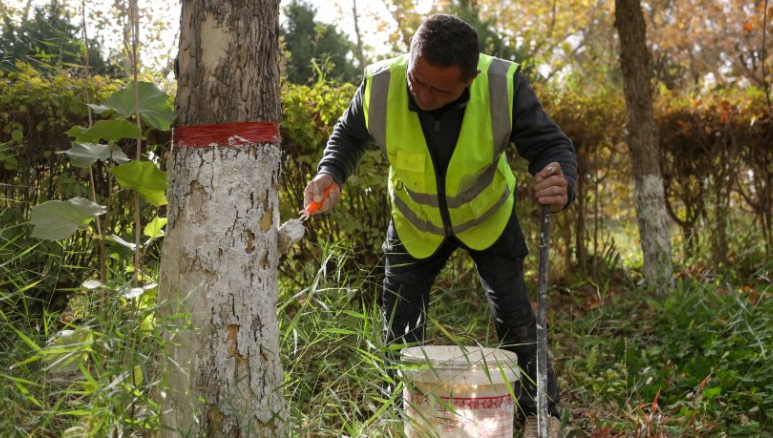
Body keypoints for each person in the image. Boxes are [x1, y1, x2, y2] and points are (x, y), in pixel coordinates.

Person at [303, 14, 577, 437]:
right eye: (418, 80)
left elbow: (549, 145)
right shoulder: (380, 84)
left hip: (488, 217)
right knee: (399, 324)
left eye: (439, 89)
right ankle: (397, 411)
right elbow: (348, 135)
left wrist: (561, 179)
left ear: (469, 80)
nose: (423, 94)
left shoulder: (502, 84)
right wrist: (330, 173)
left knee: (515, 321)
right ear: (411, 58)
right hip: (416, 221)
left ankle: (541, 411)